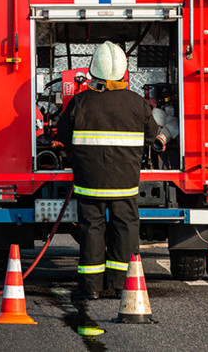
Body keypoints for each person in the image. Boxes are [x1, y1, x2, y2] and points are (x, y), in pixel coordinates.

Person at [56, 41, 159, 300]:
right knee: (125, 228)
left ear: (93, 71)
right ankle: (121, 285)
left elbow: (63, 135)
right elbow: (151, 136)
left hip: (88, 183)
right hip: (125, 183)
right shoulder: (138, 104)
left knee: (91, 229)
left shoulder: (80, 102)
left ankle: (91, 288)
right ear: (123, 71)